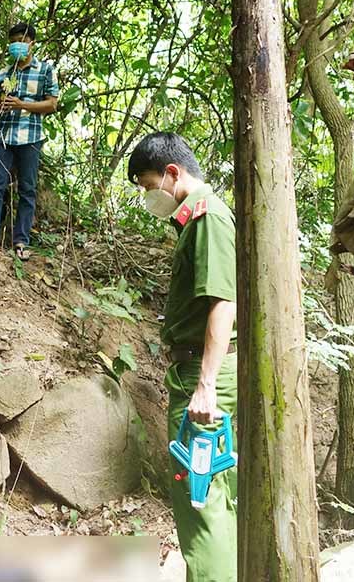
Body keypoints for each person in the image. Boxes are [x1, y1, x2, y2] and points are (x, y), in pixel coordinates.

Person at [126, 132, 237, 582]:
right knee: (210, 498)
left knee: (200, 499)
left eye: (147, 184)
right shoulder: (195, 220)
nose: (146, 195)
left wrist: (206, 384)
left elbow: (222, 302)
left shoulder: (209, 217)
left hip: (203, 373)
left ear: (172, 174)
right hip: (198, 369)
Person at [0, 23, 59, 260]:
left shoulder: (44, 70)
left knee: (27, 190)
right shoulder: (4, 73)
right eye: (14, 40)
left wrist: (22, 104)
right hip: (3, 136)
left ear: (32, 43)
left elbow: (52, 104)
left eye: (22, 40)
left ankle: (21, 241)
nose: (18, 44)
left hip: (30, 137)